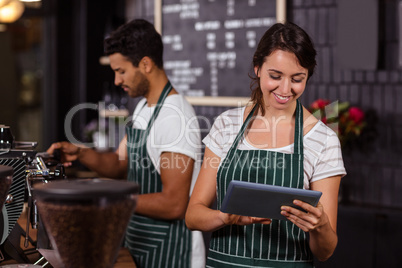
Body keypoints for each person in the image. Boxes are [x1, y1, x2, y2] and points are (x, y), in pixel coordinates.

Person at [185, 21, 346, 267]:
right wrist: (225, 217)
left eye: (297, 79)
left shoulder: (324, 139)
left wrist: (320, 226)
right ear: (258, 67)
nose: (285, 88)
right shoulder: (226, 125)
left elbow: (325, 251)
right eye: (275, 76)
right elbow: (193, 216)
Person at [47, 19, 205, 268]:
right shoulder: (144, 107)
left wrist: (110, 198)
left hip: (172, 253)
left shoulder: (176, 117)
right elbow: (119, 164)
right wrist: (80, 153)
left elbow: (174, 203)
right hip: (141, 246)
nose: (117, 81)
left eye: (121, 71)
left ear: (145, 64)